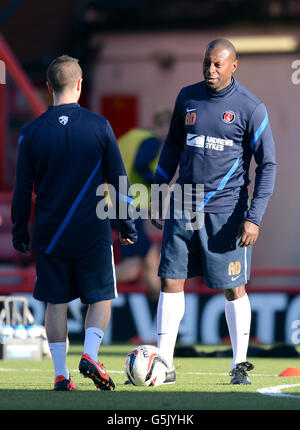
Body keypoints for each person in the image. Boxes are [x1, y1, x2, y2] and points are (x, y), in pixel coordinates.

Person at [151, 39, 276, 385]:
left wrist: (254, 217)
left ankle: (239, 366)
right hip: (184, 203)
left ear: (234, 66)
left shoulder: (251, 108)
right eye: (207, 63)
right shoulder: (186, 97)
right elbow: (172, 146)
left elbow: (268, 165)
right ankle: (165, 364)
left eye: (218, 64)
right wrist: (160, 193)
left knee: (234, 288)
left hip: (228, 212)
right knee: (170, 280)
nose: (210, 70)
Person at [11, 55, 137, 391]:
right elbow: (119, 180)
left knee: (56, 301)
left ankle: (60, 374)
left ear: (49, 86)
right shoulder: (99, 126)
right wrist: (127, 226)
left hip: (50, 234)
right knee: (100, 298)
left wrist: (20, 232)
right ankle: (91, 354)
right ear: (80, 85)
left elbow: (22, 189)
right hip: (92, 231)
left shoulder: (31, 133)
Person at [113, 109, 172, 301]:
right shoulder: (153, 140)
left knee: (149, 254)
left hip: (109, 201)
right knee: (131, 268)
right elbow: (141, 166)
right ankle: (84, 281)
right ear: (164, 127)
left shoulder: (132, 136)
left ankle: (158, 301)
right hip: (127, 206)